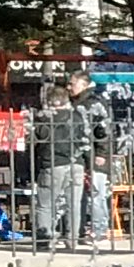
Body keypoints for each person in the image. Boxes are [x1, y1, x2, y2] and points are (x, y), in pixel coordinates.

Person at [34, 83, 90, 251]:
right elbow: (86, 140)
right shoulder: (78, 117)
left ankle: (45, 238)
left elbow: (39, 139)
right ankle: (72, 238)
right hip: (76, 164)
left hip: (53, 164)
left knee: (46, 203)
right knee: (74, 204)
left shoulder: (45, 118)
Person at [67, 72, 115, 248]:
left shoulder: (93, 103)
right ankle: (80, 229)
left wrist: (102, 153)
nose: (69, 87)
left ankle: (100, 231)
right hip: (83, 155)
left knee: (96, 193)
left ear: (84, 85)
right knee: (82, 194)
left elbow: (104, 130)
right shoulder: (78, 103)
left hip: (95, 156)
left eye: (72, 84)